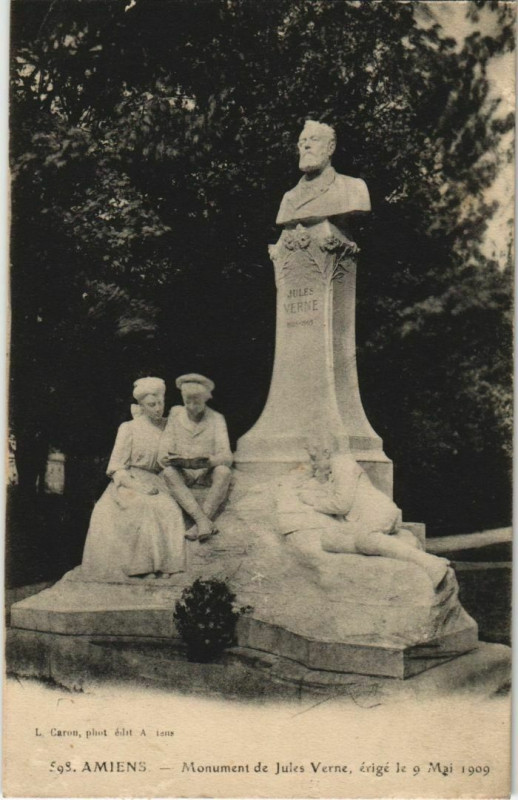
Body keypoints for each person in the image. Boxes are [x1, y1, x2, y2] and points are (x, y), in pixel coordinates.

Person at [276, 439, 450, 589]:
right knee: (330, 541)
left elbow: (341, 505)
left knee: (364, 539)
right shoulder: (331, 472)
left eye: (314, 458)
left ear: (327, 452)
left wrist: (313, 502)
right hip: (364, 519)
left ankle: (431, 564)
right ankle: (402, 545)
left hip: (378, 511)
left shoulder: (343, 464)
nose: (313, 464)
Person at [79, 377, 186, 581]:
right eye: (151, 405)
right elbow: (116, 467)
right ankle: (141, 568)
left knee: (168, 508)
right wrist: (139, 487)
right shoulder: (129, 428)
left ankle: (166, 566)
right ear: (141, 406)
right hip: (130, 481)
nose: (157, 409)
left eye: (160, 403)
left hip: (159, 480)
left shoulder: (169, 426)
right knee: (142, 506)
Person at [159, 373, 232, 542]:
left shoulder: (216, 419)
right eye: (187, 401)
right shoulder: (175, 414)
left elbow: (227, 456)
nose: (191, 406)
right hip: (184, 472)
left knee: (224, 472)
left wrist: (210, 460)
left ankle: (200, 522)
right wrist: (172, 459)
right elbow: (163, 452)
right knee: (169, 472)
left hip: (206, 473)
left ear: (206, 399)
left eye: (197, 402)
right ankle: (202, 521)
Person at [276, 120, 371, 228]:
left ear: (330, 147)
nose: (306, 145)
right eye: (302, 142)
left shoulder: (354, 188)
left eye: (314, 140)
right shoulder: (289, 198)